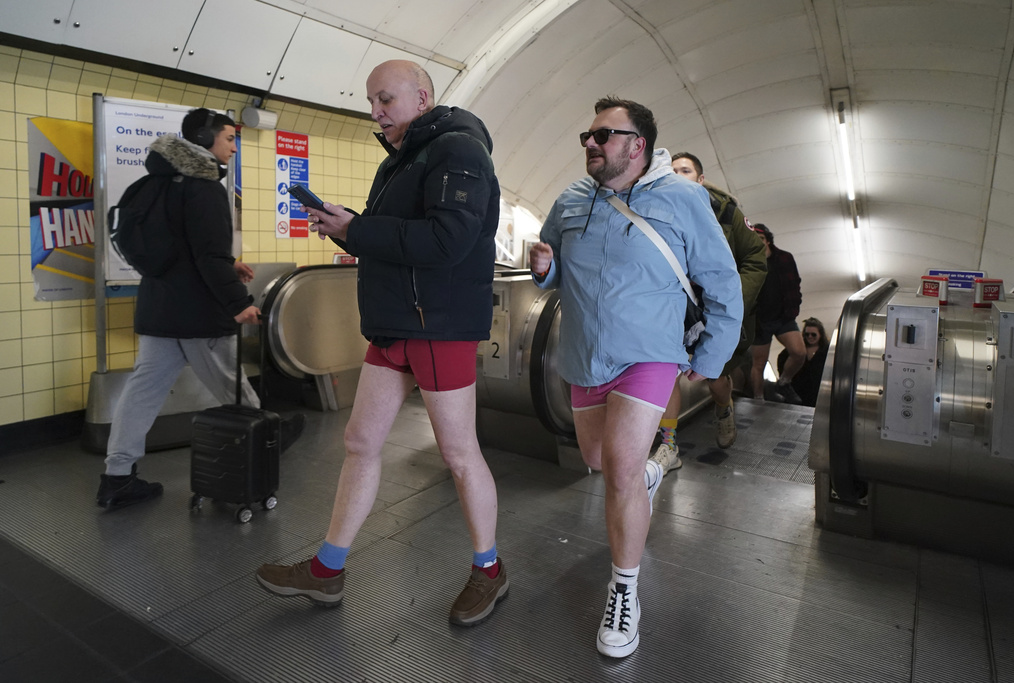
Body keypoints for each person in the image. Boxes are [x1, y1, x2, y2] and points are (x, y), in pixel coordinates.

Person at [255, 60, 508, 627]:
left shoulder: (460, 150)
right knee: (360, 441)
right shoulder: (406, 157)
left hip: (438, 325)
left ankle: (489, 570)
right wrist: (349, 224)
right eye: (371, 101)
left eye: (385, 100)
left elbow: (447, 239)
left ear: (422, 98)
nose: (375, 112)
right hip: (395, 322)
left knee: (459, 454)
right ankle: (328, 569)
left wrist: (357, 230)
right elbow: (401, 234)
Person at [529, 97, 742, 657]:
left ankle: (624, 592)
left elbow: (722, 279)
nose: (590, 144)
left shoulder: (683, 198)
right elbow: (552, 272)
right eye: (587, 135)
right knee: (599, 461)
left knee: (619, 468)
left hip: (649, 352)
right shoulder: (571, 199)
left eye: (603, 134)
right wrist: (545, 269)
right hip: (584, 354)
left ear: (637, 145)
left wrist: (714, 356)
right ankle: (649, 472)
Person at [96, 109, 301, 510]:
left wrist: (228, 265)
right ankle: (265, 442)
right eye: (229, 138)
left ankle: (116, 477)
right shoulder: (203, 188)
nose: (233, 146)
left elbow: (176, 250)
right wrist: (239, 303)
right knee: (233, 385)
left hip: (160, 310)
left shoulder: (150, 184)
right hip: (198, 313)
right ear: (206, 140)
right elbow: (207, 255)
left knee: (140, 395)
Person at [649, 152, 766, 469]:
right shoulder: (654, 210)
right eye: (672, 170)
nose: (677, 175)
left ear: (700, 179)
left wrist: (730, 299)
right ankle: (668, 444)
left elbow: (755, 258)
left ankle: (723, 405)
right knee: (667, 373)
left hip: (713, 310)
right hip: (673, 309)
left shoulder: (726, 213)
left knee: (714, 377)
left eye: (685, 170)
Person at [748, 224, 805, 403]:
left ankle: (784, 381)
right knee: (759, 363)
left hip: (783, 316)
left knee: (799, 352)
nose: (758, 243)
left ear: (768, 240)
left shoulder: (784, 258)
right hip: (760, 320)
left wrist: (794, 305)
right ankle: (758, 398)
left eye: (761, 239)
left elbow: (795, 283)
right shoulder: (747, 261)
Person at [778, 317, 829, 407]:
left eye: (813, 335)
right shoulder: (798, 350)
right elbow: (781, 358)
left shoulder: (827, 351)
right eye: (807, 334)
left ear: (820, 334)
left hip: (818, 395)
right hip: (797, 393)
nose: (810, 337)